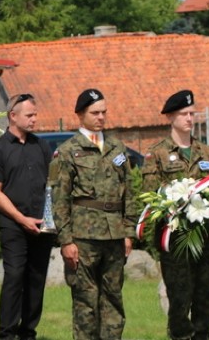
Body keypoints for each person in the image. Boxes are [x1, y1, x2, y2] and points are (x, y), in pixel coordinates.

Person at [52, 88, 136, 340]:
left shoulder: (117, 148)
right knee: (85, 302)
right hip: (83, 236)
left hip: (114, 234)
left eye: (104, 112)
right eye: (94, 112)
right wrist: (66, 240)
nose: (100, 117)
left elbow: (129, 192)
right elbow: (58, 197)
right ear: (80, 114)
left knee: (113, 299)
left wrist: (129, 231)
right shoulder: (67, 151)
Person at [142, 90, 209, 340]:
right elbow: (150, 196)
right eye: (183, 114)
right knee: (179, 298)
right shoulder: (157, 154)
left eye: (192, 114)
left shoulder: (207, 153)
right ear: (170, 117)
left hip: (206, 239)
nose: (189, 119)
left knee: (206, 296)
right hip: (175, 240)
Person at [0, 93, 53, 340]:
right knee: (14, 278)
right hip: (13, 225)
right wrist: (21, 218)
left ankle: (28, 333)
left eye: (35, 114)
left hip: (42, 226)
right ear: (13, 116)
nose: (34, 119)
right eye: (29, 115)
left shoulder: (42, 146)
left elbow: (51, 186)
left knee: (36, 280)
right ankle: (6, 334)